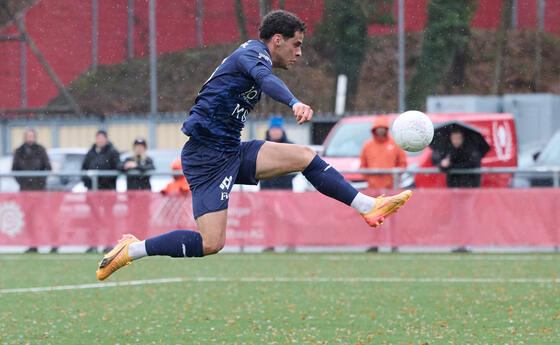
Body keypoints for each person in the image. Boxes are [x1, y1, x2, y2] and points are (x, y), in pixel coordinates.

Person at [96, 10, 412, 280]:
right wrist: (293, 101)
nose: (299, 53)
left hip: (232, 150)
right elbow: (265, 80)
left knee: (304, 156)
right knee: (211, 243)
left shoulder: (254, 57)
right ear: (277, 40)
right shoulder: (252, 55)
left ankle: (368, 207)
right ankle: (132, 249)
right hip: (206, 157)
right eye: (296, 44)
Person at [359, 116, 407, 189]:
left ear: (386, 129)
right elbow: (363, 165)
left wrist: (393, 175)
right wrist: (371, 178)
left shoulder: (395, 144)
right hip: (372, 188)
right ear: (374, 129)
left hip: (392, 188)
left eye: (383, 127)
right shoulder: (367, 145)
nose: (381, 130)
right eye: (378, 128)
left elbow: (403, 164)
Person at [260, 116, 294, 190]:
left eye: (278, 129)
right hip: (266, 189)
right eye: (273, 129)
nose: (275, 132)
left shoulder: (290, 147)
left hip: (286, 189)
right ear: (269, 131)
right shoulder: (262, 146)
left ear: (282, 131)